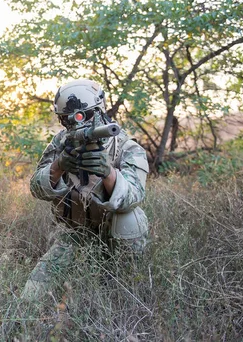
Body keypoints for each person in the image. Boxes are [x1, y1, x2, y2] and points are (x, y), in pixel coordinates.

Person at [23, 79, 150, 300]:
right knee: (31, 296)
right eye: (65, 119)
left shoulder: (126, 147)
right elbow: (36, 189)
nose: (75, 124)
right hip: (73, 233)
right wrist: (59, 166)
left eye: (85, 115)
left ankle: (126, 274)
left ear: (99, 111)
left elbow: (134, 196)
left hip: (113, 234)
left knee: (132, 219)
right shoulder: (60, 143)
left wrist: (107, 172)